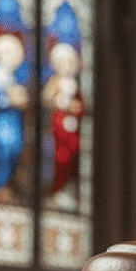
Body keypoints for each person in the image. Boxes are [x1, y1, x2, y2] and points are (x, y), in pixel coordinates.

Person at [0, 32, 30, 200]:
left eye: (13, 53)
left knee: (15, 152)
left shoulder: (12, 77)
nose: (9, 57)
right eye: (6, 52)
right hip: (2, 121)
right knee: (3, 152)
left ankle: (6, 188)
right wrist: (8, 99)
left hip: (14, 121)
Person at [43, 41, 84, 199]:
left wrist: (76, 107)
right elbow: (46, 99)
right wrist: (59, 104)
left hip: (72, 127)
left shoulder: (75, 84)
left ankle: (68, 186)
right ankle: (57, 187)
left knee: (73, 151)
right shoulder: (54, 82)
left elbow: (81, 105)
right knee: (61, 156)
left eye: (68, 62)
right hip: (58, 125)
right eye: (60, 62)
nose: (64, 66)